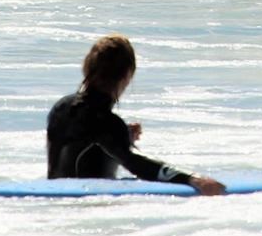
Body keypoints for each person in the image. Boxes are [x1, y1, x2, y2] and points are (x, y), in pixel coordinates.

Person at [46, 34, 224, 195]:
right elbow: (136, 164)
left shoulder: (61, 107)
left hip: (53, 201)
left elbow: (80, 138)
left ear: (87, 68)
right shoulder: (107, 123)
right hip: (87, 206)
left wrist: (123, 135)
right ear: (127, 76)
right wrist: (192, 179)